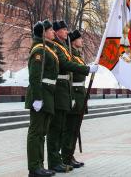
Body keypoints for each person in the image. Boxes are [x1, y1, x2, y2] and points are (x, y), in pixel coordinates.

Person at [47, 20, 98, 173]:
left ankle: (67, 156)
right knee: (64, 129)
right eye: (64, 29)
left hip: (72, 93)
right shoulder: (58, 48)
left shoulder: (66, 50)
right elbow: (68, 67)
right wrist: (87, 69)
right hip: (67, 93)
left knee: (70, 128)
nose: (66, 32)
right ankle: (64, 157)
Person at [26, 20, 58, 177]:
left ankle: (39, 165)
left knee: (41, 133)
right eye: (51, 30)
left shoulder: (47, 49)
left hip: (47, 94)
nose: (53, 33)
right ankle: (34, 168)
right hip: (40, 95)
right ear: (43, 33)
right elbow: (34, 76)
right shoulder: (39, 50)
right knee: (35, 132)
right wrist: (37, 98)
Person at [61, 29, 87, 168]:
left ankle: (70, 155)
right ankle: (66, 156)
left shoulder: (76, 55)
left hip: (80, 94)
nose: (82, 41)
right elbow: (71, 76)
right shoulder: (70, 56)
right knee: (70, 129)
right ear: (73, 41)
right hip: (74, 94)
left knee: (75, 129)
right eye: (79, 39)